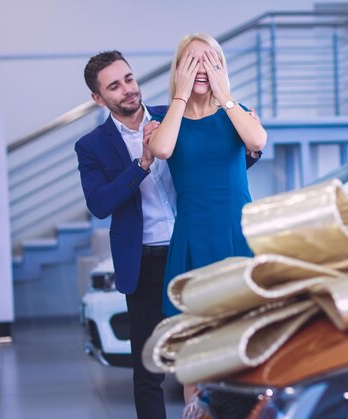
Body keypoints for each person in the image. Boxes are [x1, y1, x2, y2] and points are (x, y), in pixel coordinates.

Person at [74, 50, 260, 419]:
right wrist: (142, 164)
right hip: (145, 260)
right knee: (150, 368)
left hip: (196, 246)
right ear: (99, 98)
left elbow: (227, 157)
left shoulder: (175, 113)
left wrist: (246, 135)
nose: (127, 89)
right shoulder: (91, 146)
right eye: (114, 86)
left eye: (128, 78)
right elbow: (99, 203)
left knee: (213, 348)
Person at [146, 33, 267, 417]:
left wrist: (226, 96)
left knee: (243, 339)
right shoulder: (165, 120)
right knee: (195, 346)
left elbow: (258, 139)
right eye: (192, 61)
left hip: (236, 235)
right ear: (179, 69)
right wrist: (180, 97)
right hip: (193, 240)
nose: (202, 68)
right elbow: (162, 149)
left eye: (210, 60)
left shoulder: (236, 111)